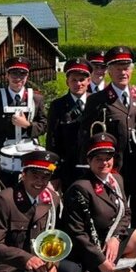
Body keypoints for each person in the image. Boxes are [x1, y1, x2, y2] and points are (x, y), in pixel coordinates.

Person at [76, 46, 136, 263]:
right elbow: (86, 137)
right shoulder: (98, 100)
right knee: (111, 216)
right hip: (113, 170)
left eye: (127, 67)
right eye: (118, 68)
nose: (123, 72)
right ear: (109, 70)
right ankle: (109, 259)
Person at [60, 134, 136, 272]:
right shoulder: (80, 188)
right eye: (98, 158)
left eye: (108, 158)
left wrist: (115, 238)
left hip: (108, 242)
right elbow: (77, 233)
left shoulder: (116, 179)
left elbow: (125, 213)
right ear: (89, 160)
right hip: (89, 250)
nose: (104, 163)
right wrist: (100, 260)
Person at [0, 56, 47, 190]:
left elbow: (44, 125)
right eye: (14, 73)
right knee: (8, 194)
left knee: (32, 190)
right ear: (7, 75)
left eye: (22, 73)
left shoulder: (36, 98)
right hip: (5, 156)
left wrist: (27, 125)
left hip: (30, 153)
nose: (18, 78)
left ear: (27, 76)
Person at [46, 57, 92, 189]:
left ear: (88, 81)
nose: (78, 84)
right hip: (68, 169)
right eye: (74, 80)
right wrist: (54, 173)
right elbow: (52, 141)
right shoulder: (58, 106)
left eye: (82, 80)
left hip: (93, 167)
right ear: (67, 82)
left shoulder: (96, 102)